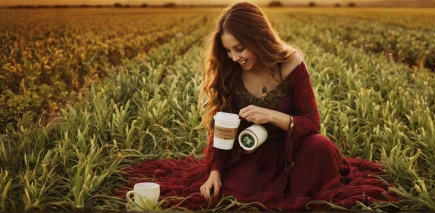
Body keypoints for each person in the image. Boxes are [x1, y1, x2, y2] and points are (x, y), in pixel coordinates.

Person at [118, 2, 400, 210]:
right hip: (253, 152)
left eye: (239, 48)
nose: (234, 57)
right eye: (228, 50)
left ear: (258, 38)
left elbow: (311, 122)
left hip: (294, 150)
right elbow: (222, 130)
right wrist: (214, 170)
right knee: (239, 192)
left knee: (320, 146)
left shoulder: (292, 64)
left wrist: (272, 116)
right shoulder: (230, 72)